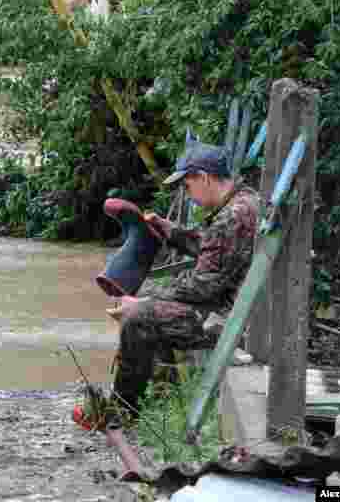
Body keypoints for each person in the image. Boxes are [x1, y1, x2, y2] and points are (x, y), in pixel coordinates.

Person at [109, 142, 259, 416]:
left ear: (203, 177)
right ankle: (159, 393)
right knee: (145, 304)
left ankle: (121, 412)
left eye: (187, 186)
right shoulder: (246, 201)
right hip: (236, 306)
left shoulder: (232, 216)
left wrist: (147, 297)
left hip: (230, 319)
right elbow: (213, 248)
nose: (187, 195)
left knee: (138, 317)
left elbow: (203, 285)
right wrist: (171, 232)